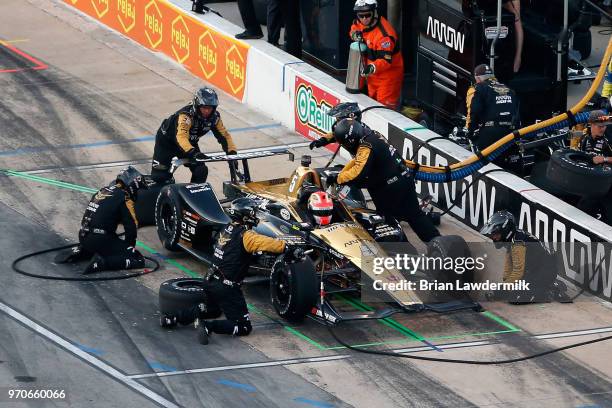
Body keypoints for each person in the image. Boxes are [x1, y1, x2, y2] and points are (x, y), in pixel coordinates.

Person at [161, 198, 306, 345]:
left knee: (211, 310)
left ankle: (172, 318)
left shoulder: (227, 229)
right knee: (243, 326)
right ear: (245, 216)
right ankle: (208, 327)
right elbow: (264, 242)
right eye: (253, 213)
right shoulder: (246, 236)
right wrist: (286, 247)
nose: (255, 216)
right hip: (227, 287)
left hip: (210, 280)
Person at [323, 118, 440, 242]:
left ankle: (403, 252)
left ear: (351, 141)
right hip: (404, 178)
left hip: (389, 189)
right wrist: (324, 139)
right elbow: (347, 133)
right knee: (415, 215)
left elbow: (358, 173)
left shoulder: (365, 147)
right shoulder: (371, 133)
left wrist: (338, 178)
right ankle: (437, 243)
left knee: (387, 222)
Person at [151, 87, 237, 184]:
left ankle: (194, 193)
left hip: (189, 143)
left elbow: (224, 136)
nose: (207, 111)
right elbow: (181, 137)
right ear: (197, 105)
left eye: (210, 108)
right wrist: (193, 153)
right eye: (204, 107)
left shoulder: (215, 117)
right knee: (159, 178)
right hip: (166, 143)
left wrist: (232, 154)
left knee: (201, 170)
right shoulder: (185, 116)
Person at [480, 211, 569, 303]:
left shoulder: (518, 242)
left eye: (496, 234)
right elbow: (509, 265)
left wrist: (503, 288)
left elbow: (518, 271)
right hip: (532, 271)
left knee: (517, 298)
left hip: (544, 271)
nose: (493, 238)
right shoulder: (513, 239)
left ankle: (552, 288)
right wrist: (505, 285)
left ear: (505, 229)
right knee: (509, 292)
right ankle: (543, 286)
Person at [79, 167, 148, 274]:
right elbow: (131, 228)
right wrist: (128, 250)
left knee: (110, 239)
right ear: (133, 186)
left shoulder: (103, 190)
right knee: (139, 260)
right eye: (137, 189)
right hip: (99, 240)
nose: (137, 193)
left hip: (83, 237)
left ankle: (83, 251)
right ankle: (104, 262)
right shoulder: (125, 197)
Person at [349, 0, 404, 109]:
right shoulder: (360, 23)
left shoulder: (384, 35)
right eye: (361, 15)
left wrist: (371, 67)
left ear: (374, 13)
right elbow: (354, 27)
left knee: (384, 110)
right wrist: (354, 35)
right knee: (371, 105)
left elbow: (385, 61)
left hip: (388, 79)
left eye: (367, 15)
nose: (364, 19)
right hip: (372, 77)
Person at [466, 64, 520, 162]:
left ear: (478, 78)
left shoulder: (480, 87)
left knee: (486, 166)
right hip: (510, 134)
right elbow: (517, 114)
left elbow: (475, 110)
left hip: (490, 134)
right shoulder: (509, 90)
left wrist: (470, 131)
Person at [577, 110, 612, 222]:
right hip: (592, 185)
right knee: (582, 211)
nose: (602, 128)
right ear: (591, 124)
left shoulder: (609, 139)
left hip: (609, 186)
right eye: (599, 126)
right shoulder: (584, 138)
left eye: (604, 126)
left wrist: (604, 159)